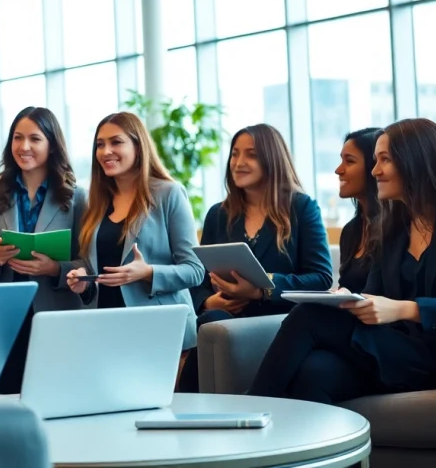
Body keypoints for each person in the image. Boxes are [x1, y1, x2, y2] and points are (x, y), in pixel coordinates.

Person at [248, 118, 436, 404]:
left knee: (310, 316)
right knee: (314, 371)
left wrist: (408, 309)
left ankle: (251, 409)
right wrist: (348, 298)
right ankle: (295, 446)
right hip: (395, 348)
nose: (375, 171)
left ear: (416, 161)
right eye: (374, 160)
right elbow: (375, 293)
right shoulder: (396, 223)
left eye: (384, 160)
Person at [177, 124, 332, 392]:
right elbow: (198, 279)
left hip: (280, 323)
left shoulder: (301, 208)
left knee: (212, 326)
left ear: (271, 160)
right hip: (224, 318)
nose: (238, 162)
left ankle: (180, 410)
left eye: (250, 155)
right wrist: (207, 300)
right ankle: (191, 414)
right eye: (235, 154)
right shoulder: (219, 214)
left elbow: (321, 279)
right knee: (211, 320)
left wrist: (262, 289)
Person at [65, 112, 205, 351]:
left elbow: (195, 270)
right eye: (100, 144)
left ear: (139, 147)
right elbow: (96, 267)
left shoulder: (168, 194)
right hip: (105, 329)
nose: (106, 151)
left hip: (156, 329)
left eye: (116, 142)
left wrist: (147, 272)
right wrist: (83, 281)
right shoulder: (96, 203)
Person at [0, 107, 87, 394]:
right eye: (17, 138)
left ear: (52, 145)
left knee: (55, 395)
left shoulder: (76, 197)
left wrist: (53, 268)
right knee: (6, 396)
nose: (24, 147)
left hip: (55, 312)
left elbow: (87, 262)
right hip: (7, 317)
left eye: (35, 139)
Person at [334, 128, 382, 293]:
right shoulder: (350, 231)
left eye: (350, 161)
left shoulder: (396, 229)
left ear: (373, 168)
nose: (338, 170)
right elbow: (346, 288)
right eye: (341, 160)